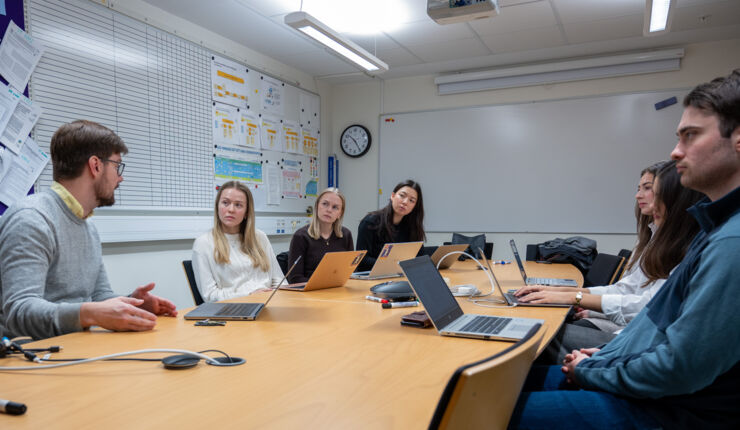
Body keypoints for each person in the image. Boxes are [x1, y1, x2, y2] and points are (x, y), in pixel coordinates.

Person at [508, 69, 740, 429]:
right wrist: (604, 357)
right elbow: (656, 325)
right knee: (491, 387)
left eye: (691, 136)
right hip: (642, 386)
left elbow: (680, 368)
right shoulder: (717, 229)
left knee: (475, 410)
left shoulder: (731, 242)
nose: (675, 152)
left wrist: (592, 372)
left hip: (667, 411)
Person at [0, 120, 177, 341]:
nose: (120, 177)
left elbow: (100, 296)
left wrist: (133, 303)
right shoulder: (32, 219)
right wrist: (89, 313)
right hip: (28, 360)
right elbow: (19, 311)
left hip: (73, 348)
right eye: (117, 166)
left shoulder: (87, 226)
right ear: (95, 166)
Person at [515, 161, 703, 361]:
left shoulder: (687, 248)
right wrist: (562, 292)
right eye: (640, 189)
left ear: (677, 198)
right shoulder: (654, 237)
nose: (639, 195)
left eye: (650, 190)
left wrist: (575, 298)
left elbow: (646, 307)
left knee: (540, 334)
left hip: (630, 338)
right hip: (629, 334)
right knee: (541, 327)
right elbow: (625, 290)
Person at [192, 181, 284, 301]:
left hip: (268, 304)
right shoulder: (203, 243)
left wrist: (282, 298)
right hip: (232, 310)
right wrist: (250, 294)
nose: (231, 209)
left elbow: (279, 280)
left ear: (246, 212)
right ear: (217, 207)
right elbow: (210, 296)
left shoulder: (260, 237)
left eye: (238, 205)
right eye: (225, 203)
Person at [355, 179, 426, 271]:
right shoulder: (370, 222)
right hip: (372, 278)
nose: (405, 202)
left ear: (414, 206)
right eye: (402, 196)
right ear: (392, 196)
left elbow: (420, 257)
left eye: (411, 200)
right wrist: (393, 265)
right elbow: (362, 260)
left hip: (401, 277)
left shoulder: (413, 227)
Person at [287, 188, 354, 283]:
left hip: (338, 291)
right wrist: (325, 284)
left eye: (335, 207)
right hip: (310, 293)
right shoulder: (301, 236)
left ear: (340, 213)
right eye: (325, 204)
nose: (329, 210)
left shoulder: (346, 235)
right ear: (317, 206)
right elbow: (294, 279)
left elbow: (350, 272)